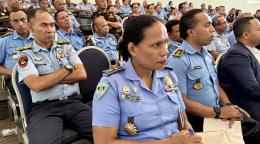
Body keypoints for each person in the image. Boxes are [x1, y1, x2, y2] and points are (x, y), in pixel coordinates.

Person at [92, 15, 202, 144]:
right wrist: (167, 143)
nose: (165, 51)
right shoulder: (112, 84)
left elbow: (183, 122)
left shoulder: (169, 75)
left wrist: (192, 138)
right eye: (156, 45)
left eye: (166, 42)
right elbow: (103, 141)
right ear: (133, 49)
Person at [17, 8, 92, 143]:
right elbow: (37, 85)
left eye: (52, 25)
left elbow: (81, 74)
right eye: (44, 25)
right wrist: (68, 69)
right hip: (45, 108)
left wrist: (47, 78)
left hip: (74, 102)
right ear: (31, 27)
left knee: (107, 132)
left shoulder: (66, 46)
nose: (50, 29)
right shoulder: (25, 55)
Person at [167, 9, 241, 132]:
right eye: (207, 25)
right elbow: (182, 102)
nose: (212, 29)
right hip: (197, 120)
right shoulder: (178, 60)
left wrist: (229, 107)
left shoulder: (205, 53)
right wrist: (219, 112)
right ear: (191, 32)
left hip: (216, 113)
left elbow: (216, 85)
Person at [218, 16, 260, 121]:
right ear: (246, 35)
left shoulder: (253, 48)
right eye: (259, 29)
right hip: (251, 105)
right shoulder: (237, 55)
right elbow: (252, 89)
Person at [0, 9, 34, 102]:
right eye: (15, 21)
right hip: (16, 80)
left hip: (39, 76)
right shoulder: (4, 41)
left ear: (29, 20)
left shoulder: (38, 38)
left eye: (23, 19)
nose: (20, 24)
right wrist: (12, 72)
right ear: (11, 23)